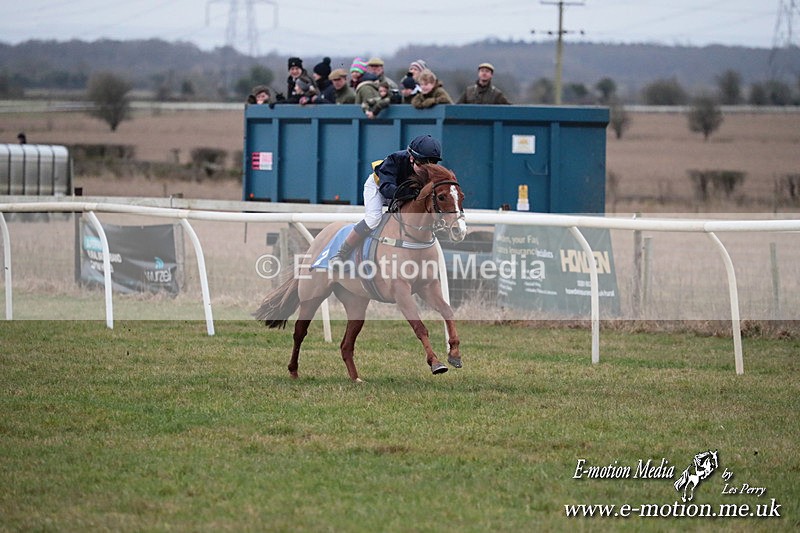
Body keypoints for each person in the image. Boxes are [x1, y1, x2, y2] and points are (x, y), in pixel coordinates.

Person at [329, 135, 443, 263]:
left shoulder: (430, 171)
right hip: (379, 187)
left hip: (402, 192)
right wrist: (411, 193)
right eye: (422, 166)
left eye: (431, 166)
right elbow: (387, 190)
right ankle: (342, 253)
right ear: (412, 158)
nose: (425, 171)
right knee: (373, 219)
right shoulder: (394, 160)